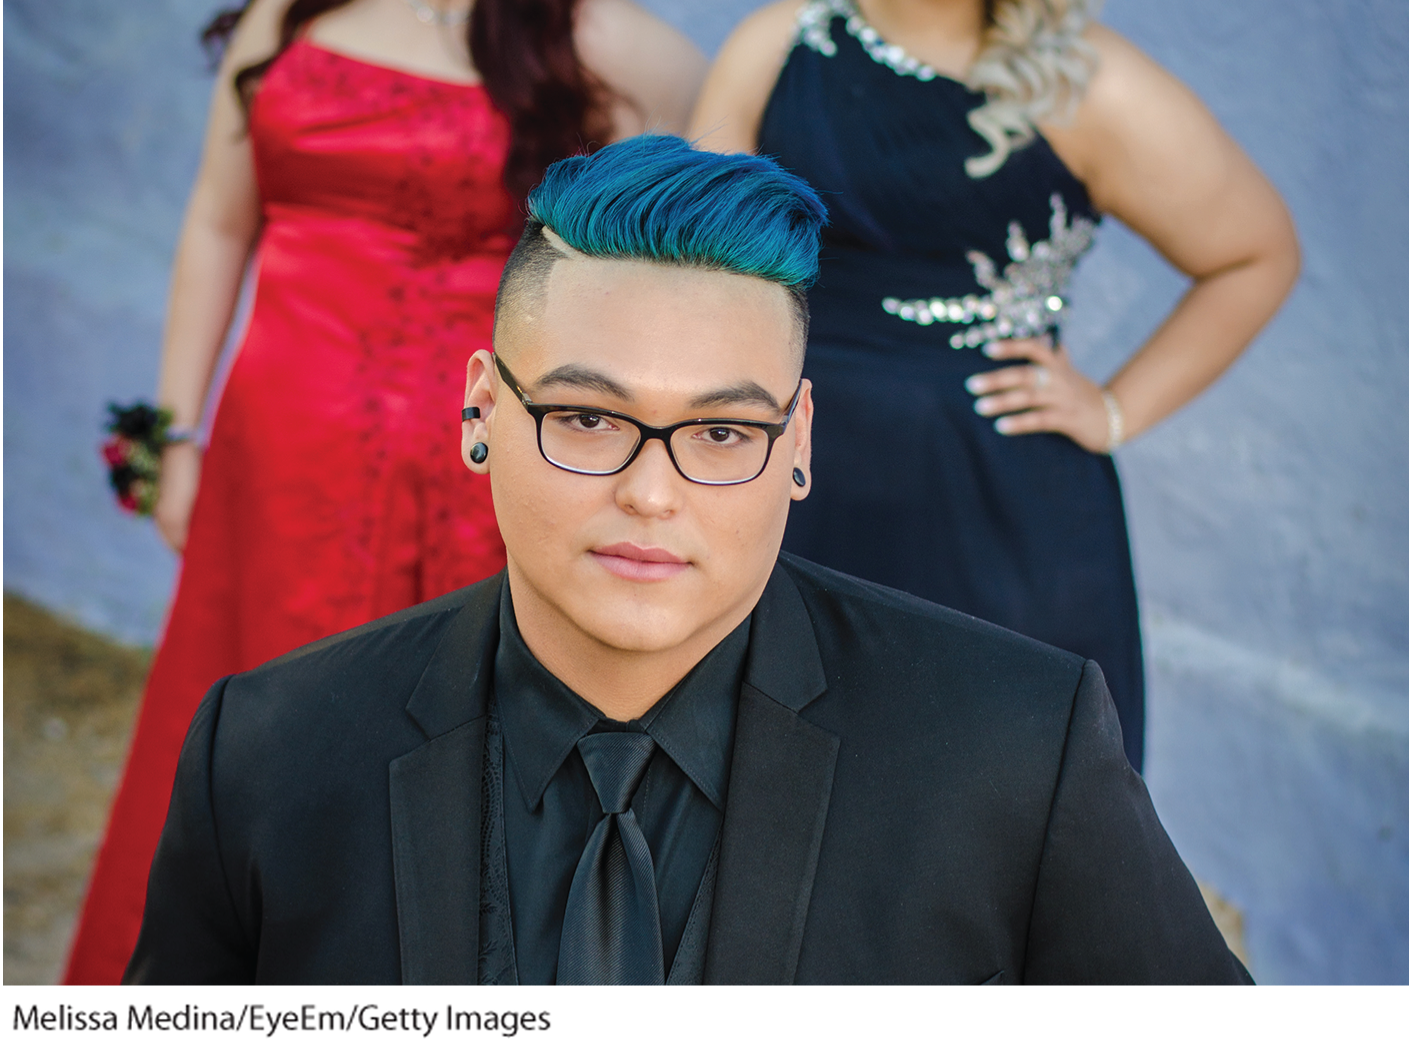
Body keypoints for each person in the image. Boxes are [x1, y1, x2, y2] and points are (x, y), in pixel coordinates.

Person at [126, 135, 1249, 985]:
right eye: (586, 418)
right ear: (478, 413)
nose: (649, 493)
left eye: (722, 433)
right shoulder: (265, 756)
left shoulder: (1016, 746)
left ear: (796, 445)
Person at [66, 0, 706, 985]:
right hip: (275, 455)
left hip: (469, 476)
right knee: (254, 729)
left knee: (442, 751)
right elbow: (215, 218)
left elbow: (677, 234)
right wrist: (173, 433)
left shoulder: (605, 44)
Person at [688, 0, 1299, 773]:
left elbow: (1255, 253)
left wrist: (1111, 410)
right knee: (777, 811)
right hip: (792, 494)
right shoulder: (775, 46)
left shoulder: (1081, 84)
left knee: (991, 826)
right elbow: (687, 280)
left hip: (1003, 518)